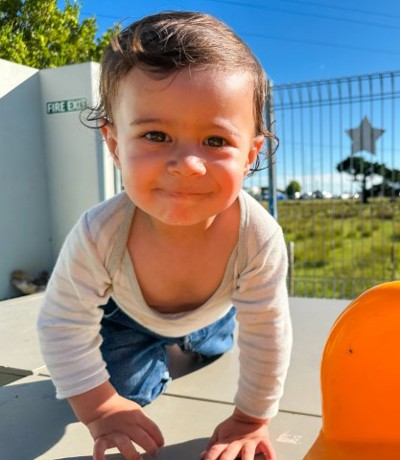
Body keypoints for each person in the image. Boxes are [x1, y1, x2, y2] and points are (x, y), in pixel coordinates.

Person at [37, 11, 292, 460]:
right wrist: (100, 407)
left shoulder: (257, 235)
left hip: (213, 313)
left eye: (215, 141)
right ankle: (165, 346)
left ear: (251, 154)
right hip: (125, 318)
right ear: (114, 144)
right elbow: (63, 324)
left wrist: (251, 419)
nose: (187, 165)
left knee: (216, 343)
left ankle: (202, 334)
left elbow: (267, 332)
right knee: (127, 394)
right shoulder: (100, 232)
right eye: (156, 135)